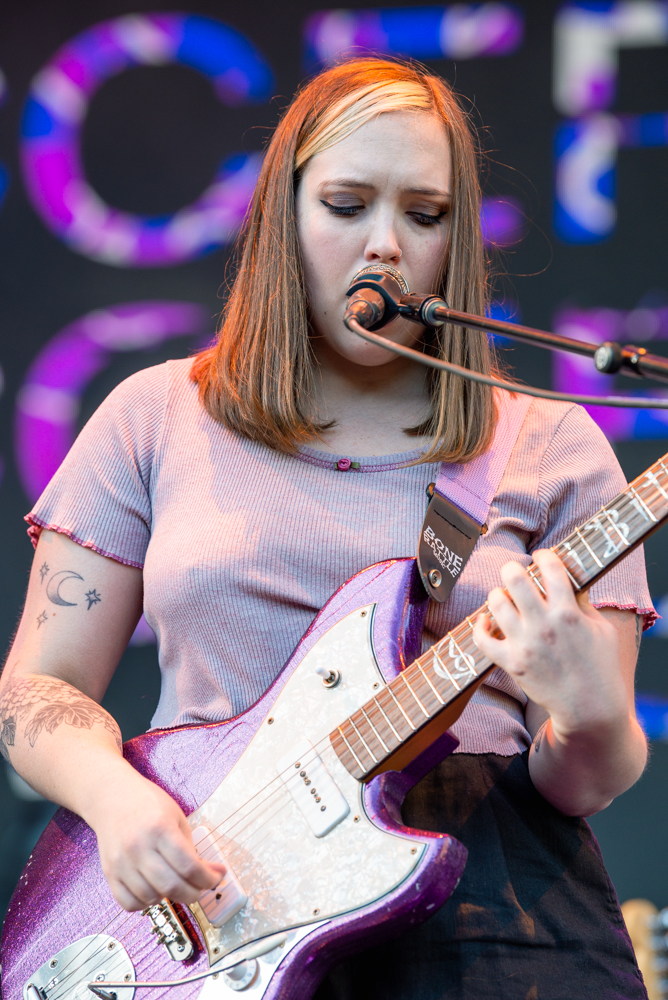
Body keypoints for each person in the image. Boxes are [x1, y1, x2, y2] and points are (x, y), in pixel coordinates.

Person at [0, 58, 654, 998]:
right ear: (284, 216)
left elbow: (587, 780)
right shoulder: (155, 414)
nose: (386, 245)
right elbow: (37, 690)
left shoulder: (550, 443)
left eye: (424, 215)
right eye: (347, 205)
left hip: (492, 913)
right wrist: (114, 800)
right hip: (215, 897)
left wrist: (588, 710)